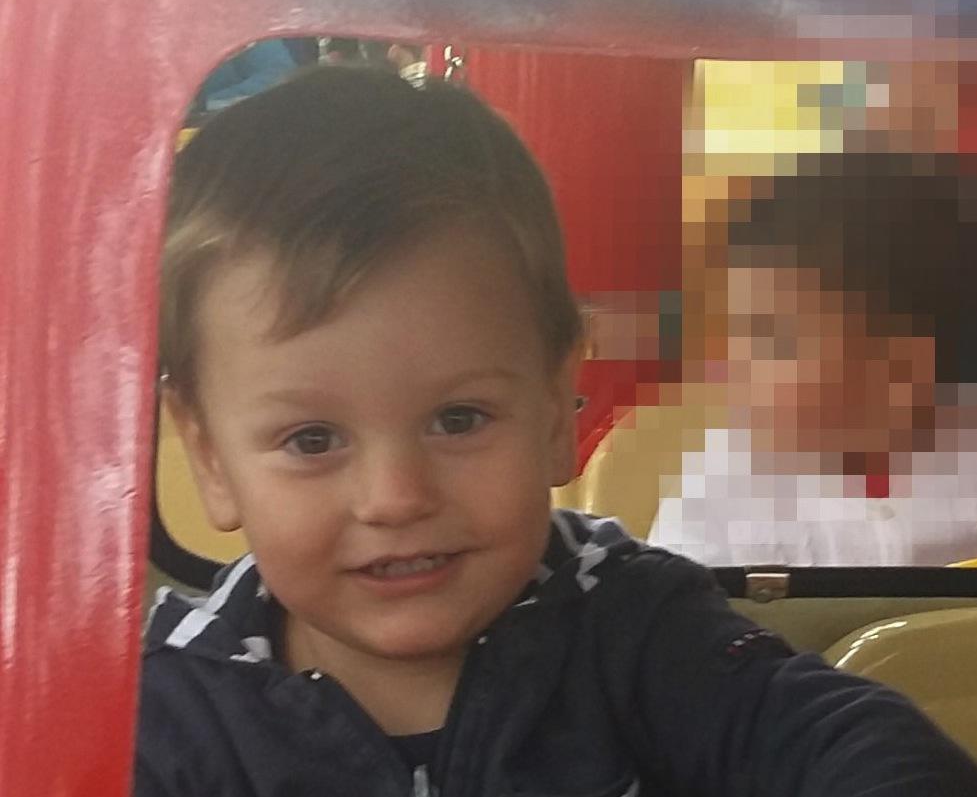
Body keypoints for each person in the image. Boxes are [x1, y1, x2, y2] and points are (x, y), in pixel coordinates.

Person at [136, 67, 977, 795]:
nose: (395, 497)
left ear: (552, 410)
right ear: (210, 457)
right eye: (312, 440)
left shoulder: (632, 625)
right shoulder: (167, 712)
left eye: (458, 419)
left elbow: (840, 738)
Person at [651, 153, 977, 567]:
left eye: (772, 339)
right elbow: (673, 601)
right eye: (737, 332)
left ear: (897, 369)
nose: (732, 364)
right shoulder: (716, 492)